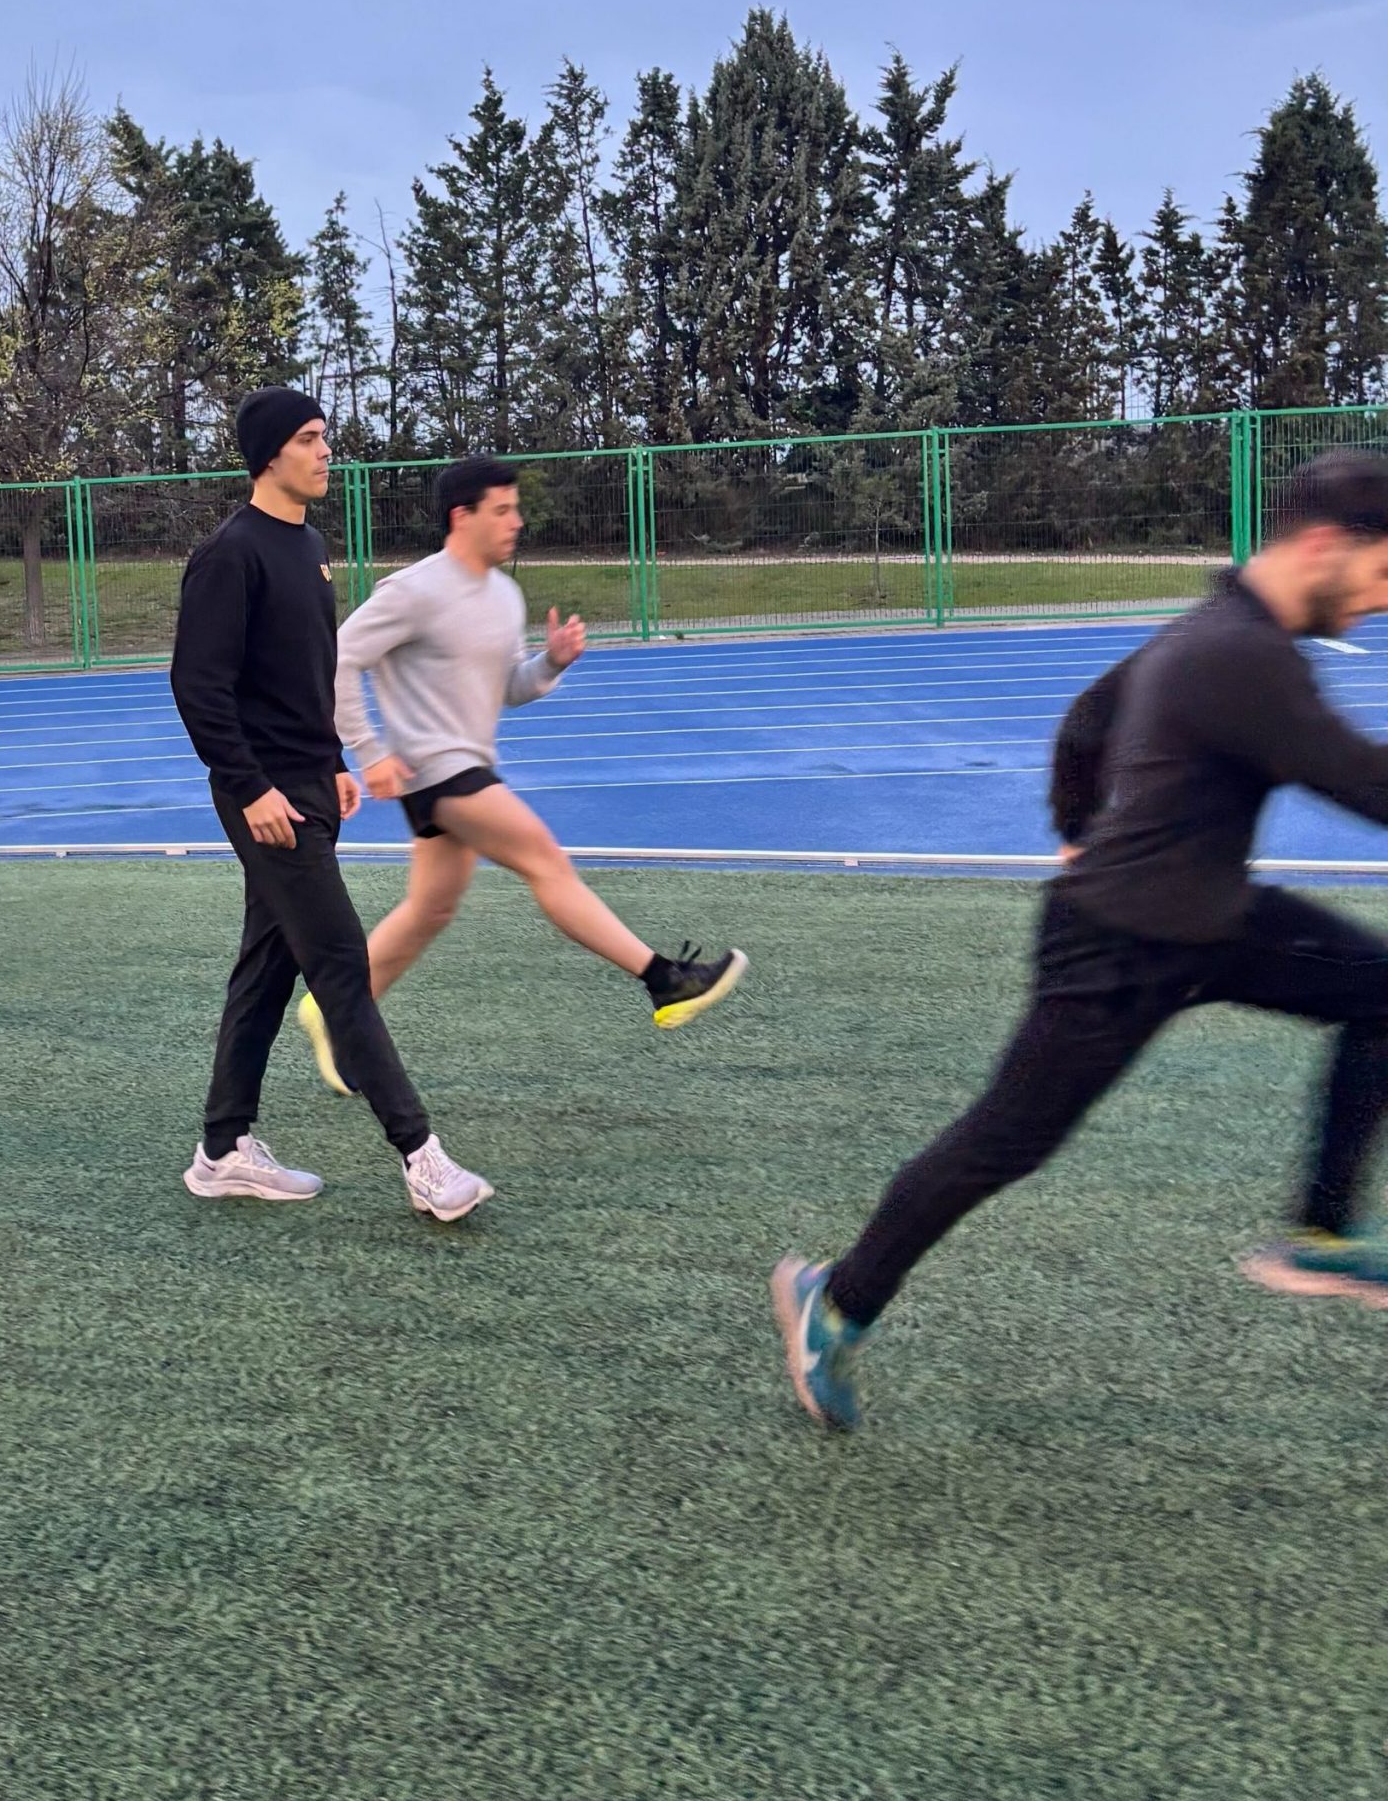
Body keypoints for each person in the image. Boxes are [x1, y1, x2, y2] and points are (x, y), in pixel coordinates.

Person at [774, 447, 1388, 1433]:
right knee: (1003, 1143)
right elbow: (1370, 785)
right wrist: (1085, 846)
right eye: (1383, 573)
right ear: (1325, 543)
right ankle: (834, 1303)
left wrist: (1076, 824)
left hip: (1214, 919)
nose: (1380, 600)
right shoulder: (1241, 653)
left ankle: (1321, 1228)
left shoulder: (1213, 631)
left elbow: (1088, 720)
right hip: (1115, 948)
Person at [294, 453, 747, 1094]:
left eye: (516, 508)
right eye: (503, 510)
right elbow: (338, 659)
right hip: (437, 773)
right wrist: (368, 750)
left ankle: (335, 1010)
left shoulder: (505, 595)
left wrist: (552, 662)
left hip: (467, 767)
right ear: (463, 516)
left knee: (430, 907)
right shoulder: (413, 590)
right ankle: (663, 980)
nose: (517, 522)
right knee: (545, 861)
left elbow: (509, 686)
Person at [170, 387, 492, 1221]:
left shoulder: (307, 543)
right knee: (342, 964)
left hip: (307, 783)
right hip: (264, 798)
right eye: (311, 440)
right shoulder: (229, 553)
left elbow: (302, 674)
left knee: (267, 968)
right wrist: (253, 789)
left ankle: (221, 1150)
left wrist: (332, 760)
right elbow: (199, 688)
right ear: (271, 453)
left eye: (325, 438)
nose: (325, 453)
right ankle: (423, 1160)